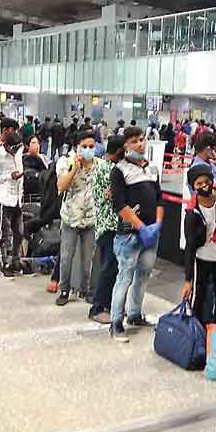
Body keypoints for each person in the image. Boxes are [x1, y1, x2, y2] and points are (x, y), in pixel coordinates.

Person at [109, 126, 163, 343]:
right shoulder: (119, 170)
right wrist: (141, 226)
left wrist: (157, 224)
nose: (140, 144)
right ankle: (115, 322)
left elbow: (159, 198)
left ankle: (134, 314)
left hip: (151, 235)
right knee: (124, 278)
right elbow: (119, 205)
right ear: (126, 146)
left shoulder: (152, 169)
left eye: (141, 139)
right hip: (129, 235)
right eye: (134, 141)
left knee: (143, 276)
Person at [55, 131, 102, 306]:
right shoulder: (65, 162)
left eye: (91, 146)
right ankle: (64, 290)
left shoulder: (101, 165)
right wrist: (74, 168)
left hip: (91, 219)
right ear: (77, 147)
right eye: (85, 147)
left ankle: (87, 290)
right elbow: (61, 186)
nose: (88, 150)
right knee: (66, 257)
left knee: (88, 258)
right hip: (71, 218)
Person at [181, 164, 216, 324]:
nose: (204, 186)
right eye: (199, 184)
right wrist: (188, 280)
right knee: (199, 298)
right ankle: (197, 332)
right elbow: (190, 247)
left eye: (207, 181)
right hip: (202, 258)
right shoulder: (192, 213)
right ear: (193, 186)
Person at [87, 135, 125, 324]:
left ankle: (109, 305)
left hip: (107, 225)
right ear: (119, 151)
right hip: (108, 226)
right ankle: (98, 307)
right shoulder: (108, 169)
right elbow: (111, 195)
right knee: (109, 268)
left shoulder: (103, 166)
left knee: (112, 267)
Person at [0, 131, 25, 279]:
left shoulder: (19, 152)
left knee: (19, 233)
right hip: (4, 199)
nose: (15, 152)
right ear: (6, 146)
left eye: (17, 149)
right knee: (4, 235)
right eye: (13, 149)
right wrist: (8, 177)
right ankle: (4, 263)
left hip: (18, 199)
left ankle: (16, 260)